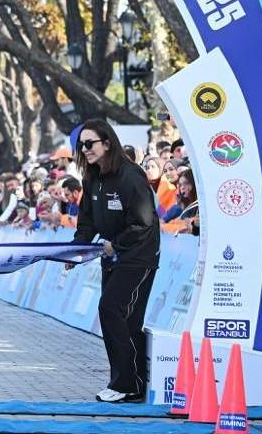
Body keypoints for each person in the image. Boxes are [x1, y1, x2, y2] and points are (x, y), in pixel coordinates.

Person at [69, 119, 160, 403]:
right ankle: (130, 384)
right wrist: (75, 250)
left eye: (90, 144)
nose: (85, 150)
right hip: (112, 256)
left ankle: (126, 383)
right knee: (125, 319)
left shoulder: (130, 176)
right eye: (81, 145)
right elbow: (87, 222)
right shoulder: (92, 177)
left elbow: (143, 222)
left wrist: (116, 245)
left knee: (111, 309)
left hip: (138, 257)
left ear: (107, 143)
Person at [162, 169, 200, 235]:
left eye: (186, 183)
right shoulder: (178, 204)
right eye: (180, 185)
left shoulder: (200, 206)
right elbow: (160, 215)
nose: (182, 187)